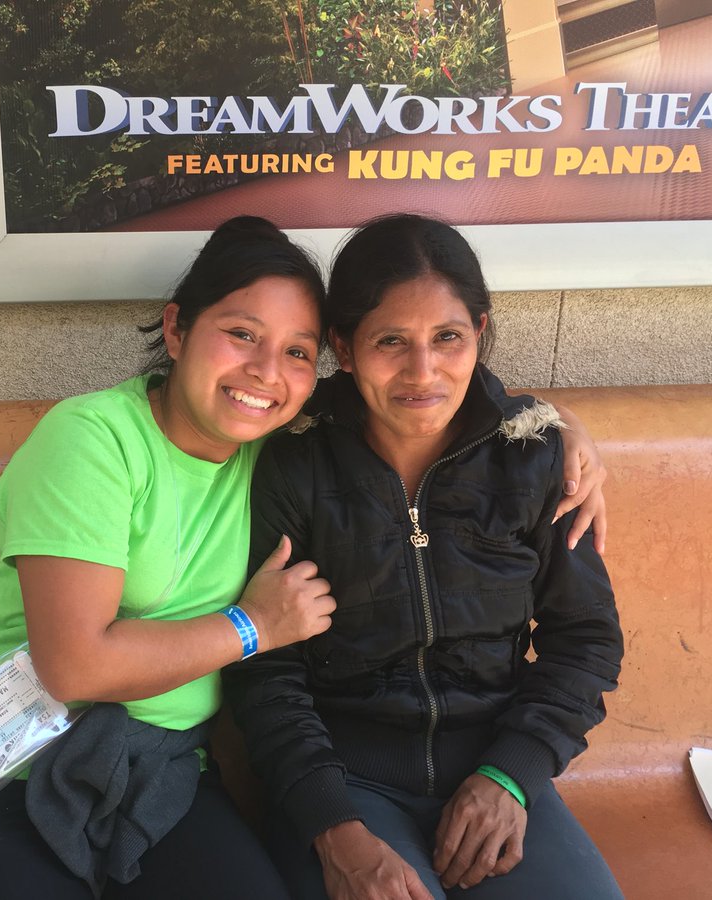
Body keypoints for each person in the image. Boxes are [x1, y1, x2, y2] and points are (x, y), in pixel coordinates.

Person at [0, 216, 609, 899]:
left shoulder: (271, 441)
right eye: (241, 334)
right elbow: (74, 667)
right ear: (177, 329)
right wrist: (253, 627)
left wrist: (561, 430)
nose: (266, 373)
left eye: (296, 351)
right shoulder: (109, 440)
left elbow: (446, 409)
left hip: (160, 762)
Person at [223, 214, 625, 900]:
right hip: (342, 784)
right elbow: (266, 672)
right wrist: (334, 828)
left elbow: (585, 640)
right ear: (344, 349)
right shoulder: (292, 464)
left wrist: (510, 777)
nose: (423, 371)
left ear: (480, 332)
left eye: (448, 338)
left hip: (496, 767)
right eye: (390, 342)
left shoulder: (535, 458)